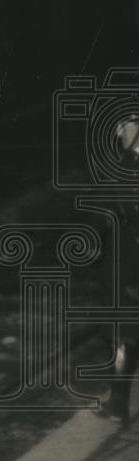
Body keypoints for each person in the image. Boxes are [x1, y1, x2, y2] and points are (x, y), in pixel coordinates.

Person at [94, 115, 139, 424]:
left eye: (124, 127)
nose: (121, 133)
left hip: (127, 259)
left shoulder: (125, 165)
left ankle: (118, 402)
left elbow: (112, 207)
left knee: (122, 330)